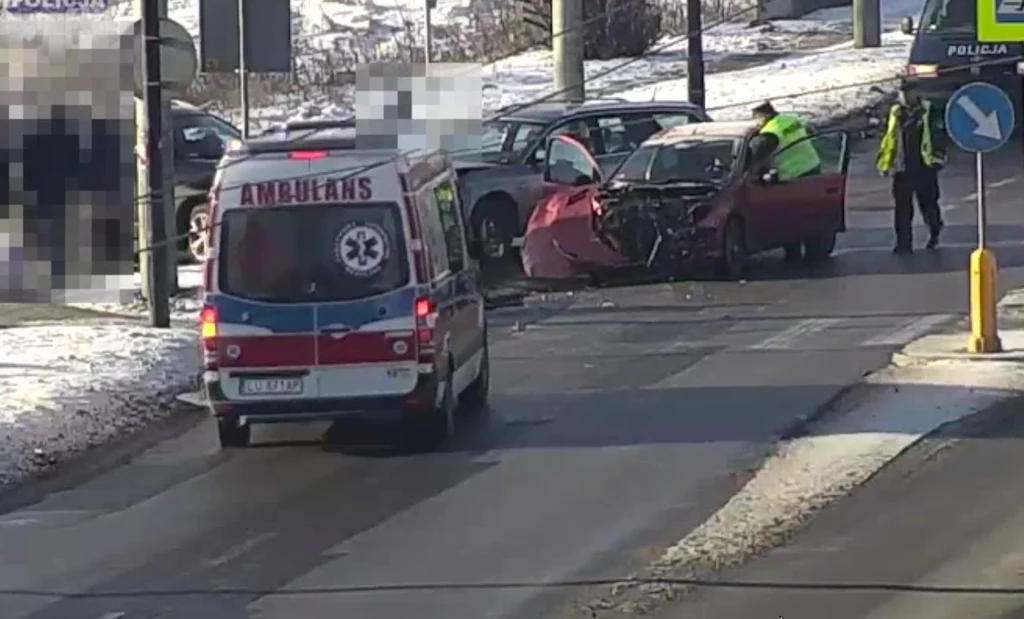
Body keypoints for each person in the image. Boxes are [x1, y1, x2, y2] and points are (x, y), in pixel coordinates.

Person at [876, 80, 947, 253]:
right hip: (902, 169)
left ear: (916, 93)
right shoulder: (895, 112)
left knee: (928, 205)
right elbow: (889, 139)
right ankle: (903, 244)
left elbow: (939, 135)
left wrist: (938, 158)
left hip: (924, 167)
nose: (906, 97)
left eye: (909, 93)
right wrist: (885, 163)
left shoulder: (928, 111)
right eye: (903, 93)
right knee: (902, 210)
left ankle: (934, 233)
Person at [749, 101, 822, 180]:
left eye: (755, 118)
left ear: (761, 116)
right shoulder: (791, 119)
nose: (756, 124)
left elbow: (757, 159)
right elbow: (809, 131)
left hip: (794, 175)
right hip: (813, 165)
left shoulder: (770, 132)